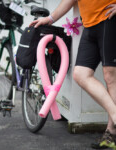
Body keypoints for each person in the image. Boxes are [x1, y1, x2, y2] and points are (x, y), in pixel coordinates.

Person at [30, 0, 116, 149]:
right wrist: (50, 19)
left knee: (110, 76)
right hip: (89, 24)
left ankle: (111, 134)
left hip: (109, 20)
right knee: (80, 74)